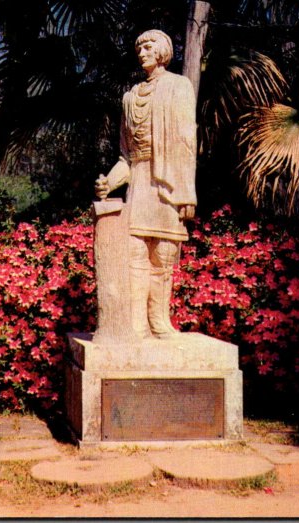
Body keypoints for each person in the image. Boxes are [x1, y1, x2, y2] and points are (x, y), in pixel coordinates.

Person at [94, 29, 197, 339]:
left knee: (164, 255)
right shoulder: (129, 97)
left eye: (149, 46)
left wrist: (187, 194)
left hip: (168, 184)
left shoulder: (179, 86)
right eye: (139, 47)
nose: (142, 52)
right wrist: (109, 183)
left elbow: (187, 142)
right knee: (136, 255)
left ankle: (160, 322)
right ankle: (137, 326)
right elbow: (126, 157)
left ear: (163, 50)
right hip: (139, 181)